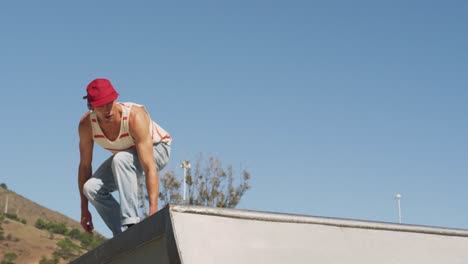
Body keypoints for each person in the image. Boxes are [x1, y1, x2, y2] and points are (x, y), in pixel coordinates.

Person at [77, 78, 171, 236]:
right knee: (91, 188)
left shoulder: (134, 116)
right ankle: (122, 234)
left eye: (110, 103)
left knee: (121, 159)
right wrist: (84, 209)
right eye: (101, 106)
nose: (108, 110)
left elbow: (149, 166)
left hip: (158, 149)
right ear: (91, 106)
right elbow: (85, 167)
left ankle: (131, 223)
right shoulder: (87, 125)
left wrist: (153, 211)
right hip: (126, 159)